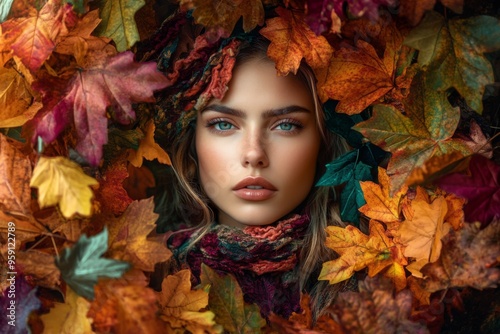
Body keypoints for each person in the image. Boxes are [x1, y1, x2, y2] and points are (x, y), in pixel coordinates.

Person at [158, 37, 352, 320]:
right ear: (192, 143)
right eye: (224, 124)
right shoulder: (142, 277)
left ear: (322, 143)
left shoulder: (375, 284)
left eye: (285, 125)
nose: (254, 154)